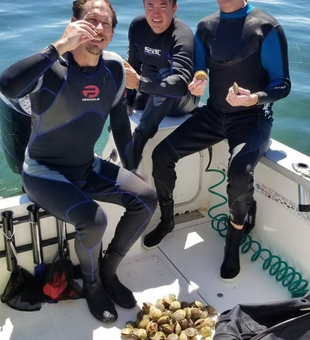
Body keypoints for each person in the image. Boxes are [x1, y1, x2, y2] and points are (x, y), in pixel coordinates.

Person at [0, 0, 157, 323]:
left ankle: (109, 270)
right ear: (74, 23)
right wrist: (60, 45)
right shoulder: (52, 67)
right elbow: (8, 85)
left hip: (85, 165)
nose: (98, 29)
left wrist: (131, 164)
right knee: (95, 220)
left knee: (146, 198)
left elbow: (119, 124)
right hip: (44, 173)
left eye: (106, 24)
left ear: (113, 34)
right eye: (90, 21)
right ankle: (93, 283)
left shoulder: (114, 68)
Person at [144, 0, 291, 282]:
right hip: (214, 114)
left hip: (253, 117)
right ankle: (167, 220)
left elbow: (281, 84)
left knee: (239, 174)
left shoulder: (266, 27)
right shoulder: (206, 26)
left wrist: (254, 98)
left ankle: (233, 239)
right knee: (162, 155)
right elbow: (201, 69)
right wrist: (198, 79)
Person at [125, 0, 199, 169]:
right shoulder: (138, 26)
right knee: (116, 70)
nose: (155, 13)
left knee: (166, 81)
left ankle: (138, 141)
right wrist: (128, 101)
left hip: (183, 98)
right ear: (144, 6)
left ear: (174, 8)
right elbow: (132, 67)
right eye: (150, 5)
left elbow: (180, 84)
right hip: (150, 86)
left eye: (162, 6)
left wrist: (139, 83)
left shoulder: (181, 34)